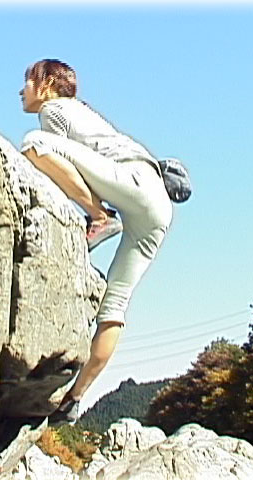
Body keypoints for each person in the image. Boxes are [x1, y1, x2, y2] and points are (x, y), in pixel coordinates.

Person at [19, 59, 173, 424]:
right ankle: (74, 398)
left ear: (47, 84)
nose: (21, 91)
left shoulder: (55, 109)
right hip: (158, 209)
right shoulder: (85, 113)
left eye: (27, 82)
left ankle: (101, 218)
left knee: (33, 144)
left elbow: (48, 157)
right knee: (113, 307)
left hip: (132, 182)